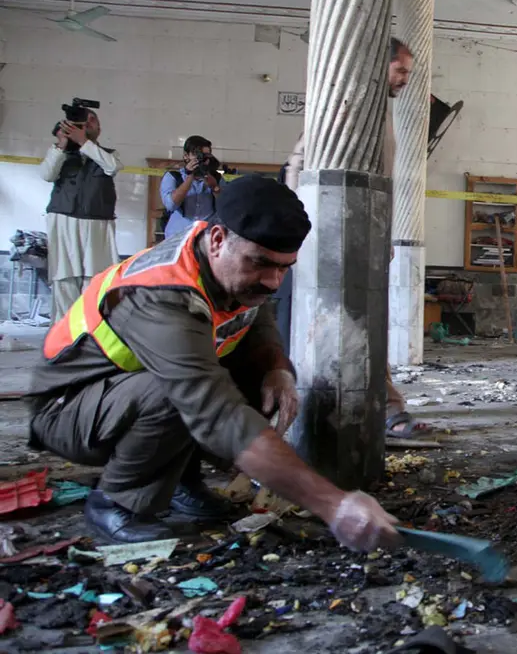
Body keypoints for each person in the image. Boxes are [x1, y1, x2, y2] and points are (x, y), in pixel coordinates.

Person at [25, 176, 398, 549]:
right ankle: (117, 502)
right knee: (182, 394)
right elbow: (216, 412)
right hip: (68, 408)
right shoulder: (162, 293)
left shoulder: (223, 266)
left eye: (284, 268)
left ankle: (176, 483)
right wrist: (332, 505)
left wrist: (277, 369)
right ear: (218, 239)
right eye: (261, 263)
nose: (273, 282)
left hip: (124, 392)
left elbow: (254, 318)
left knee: (253, 375)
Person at [284, 37, 422, 441]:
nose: (406, 79)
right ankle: (367, 412)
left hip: (365, 234)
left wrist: (383, 233)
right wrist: (301, 223)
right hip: (331, 234)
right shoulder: (347, 102)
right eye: (401, 70)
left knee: (368, 324)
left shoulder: (379, 109)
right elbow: (297, 162)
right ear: (380, 65)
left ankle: (384, 408)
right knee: (343, 327)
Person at [39, 107, 121, 320]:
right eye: (86, 120)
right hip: (63, 221)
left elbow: (112, 167)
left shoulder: (108, 154)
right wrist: (62, 144)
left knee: (95, 280)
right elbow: (47, 174)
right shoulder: (61, 153)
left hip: (97, 224)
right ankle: (64, 334)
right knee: (64, 279)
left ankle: (91, 331)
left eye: (93, 120)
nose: (89, 123)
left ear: (99, 128)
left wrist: (84, 141)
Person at [160, 135, 222, 238]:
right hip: (178, 236)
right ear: (186, 156)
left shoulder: (216, 178)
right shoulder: (174, 177)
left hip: (206, 236)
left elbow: (226, 206)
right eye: (197, 155)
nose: (202, 159)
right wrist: (190, 176)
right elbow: (171, 205)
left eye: (206, 156)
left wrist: (215, 187)